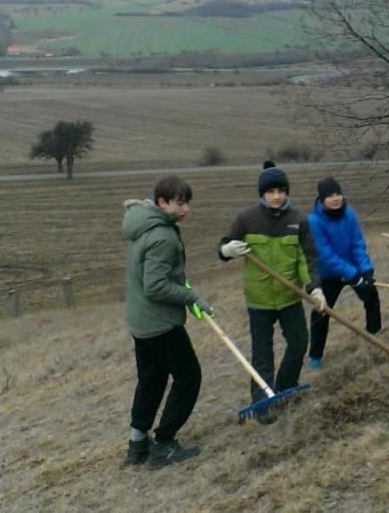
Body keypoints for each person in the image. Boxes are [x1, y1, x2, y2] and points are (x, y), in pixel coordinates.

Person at [217, 161, 320, 424]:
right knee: (262, 353)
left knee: (299, 342)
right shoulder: (247, 219)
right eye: (271, 191)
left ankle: (285, 386)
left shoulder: (298, 221)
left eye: (281, 191)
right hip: (259, 300)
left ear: (286, 192)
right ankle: (262, 400)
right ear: (262, 193)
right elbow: (224, 246)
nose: (276, 196)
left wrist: (315, 288)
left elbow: (308, 258)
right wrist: (227, 250)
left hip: (289, 297)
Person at [122, 175, 210, 468]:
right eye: (179, 203)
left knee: (151, 380)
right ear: (162, 203)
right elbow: (156, 285)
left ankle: (137, 445)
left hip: (141, 322)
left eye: (188, 203)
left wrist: (187, 294)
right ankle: (163, 444)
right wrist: (191, 297)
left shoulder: (143, 225)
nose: (185, 209)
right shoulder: (162, 236)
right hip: (160, 323)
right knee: (188, 377)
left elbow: (163, 277)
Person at [306, 177, 382, 369]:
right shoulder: (314, 221)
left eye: (338, 194)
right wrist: (352, 276)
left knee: (371, 295)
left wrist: (366, 271)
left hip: (352, 268)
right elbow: (325, 255)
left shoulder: (349, 214)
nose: (335, 198)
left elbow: (357, 243)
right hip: (327, 273)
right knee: (321, 312)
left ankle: (375, 336)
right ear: (322, 199)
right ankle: (315, 355)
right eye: (330, 195)